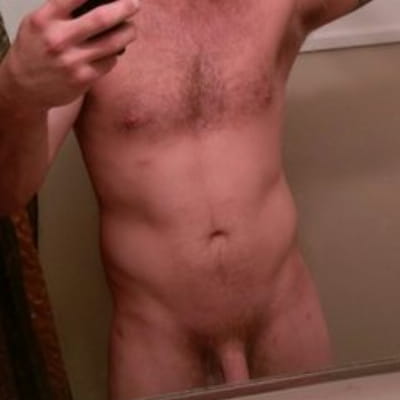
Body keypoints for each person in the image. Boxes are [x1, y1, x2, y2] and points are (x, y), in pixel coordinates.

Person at [0, 0, 373, 399]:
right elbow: (8, 194)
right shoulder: (90, 23)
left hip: (285, 319)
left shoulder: (277, 5)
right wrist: (15, 92)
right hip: (159, 342)